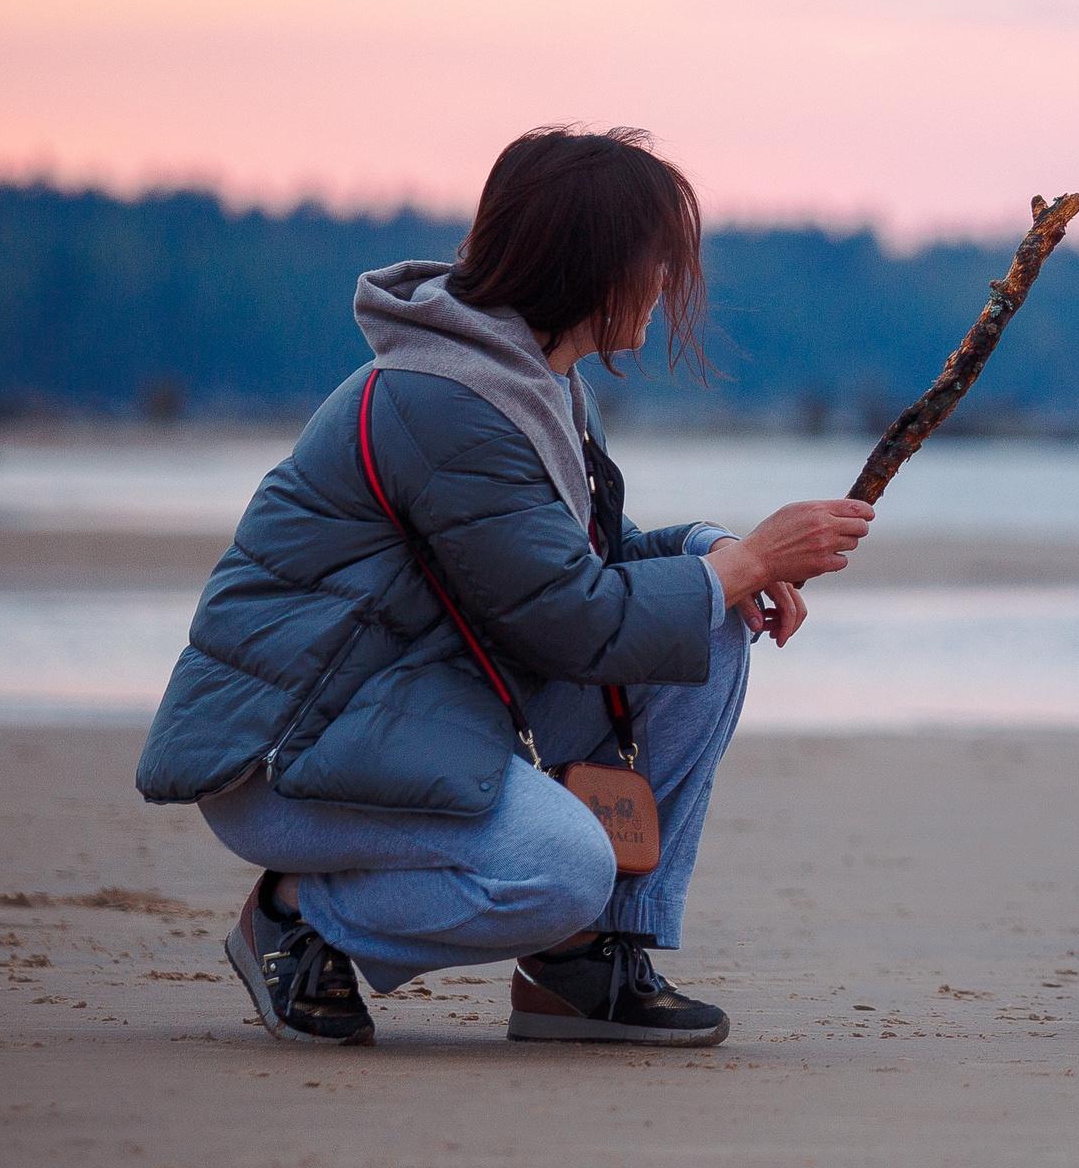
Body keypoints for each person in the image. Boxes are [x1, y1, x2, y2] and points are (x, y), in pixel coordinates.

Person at [135, 127, 870, 1049]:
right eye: (654, 258)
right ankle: (297, 916)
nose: (665, 281)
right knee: (564, 867)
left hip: (403, 717)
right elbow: (573, 622)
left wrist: (715, 551)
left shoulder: (537, 381)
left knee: (714, 632)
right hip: (290, 754)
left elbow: (571, 570)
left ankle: (587, 966)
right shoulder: (443, 399)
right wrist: (746, 563)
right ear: (590, 264)